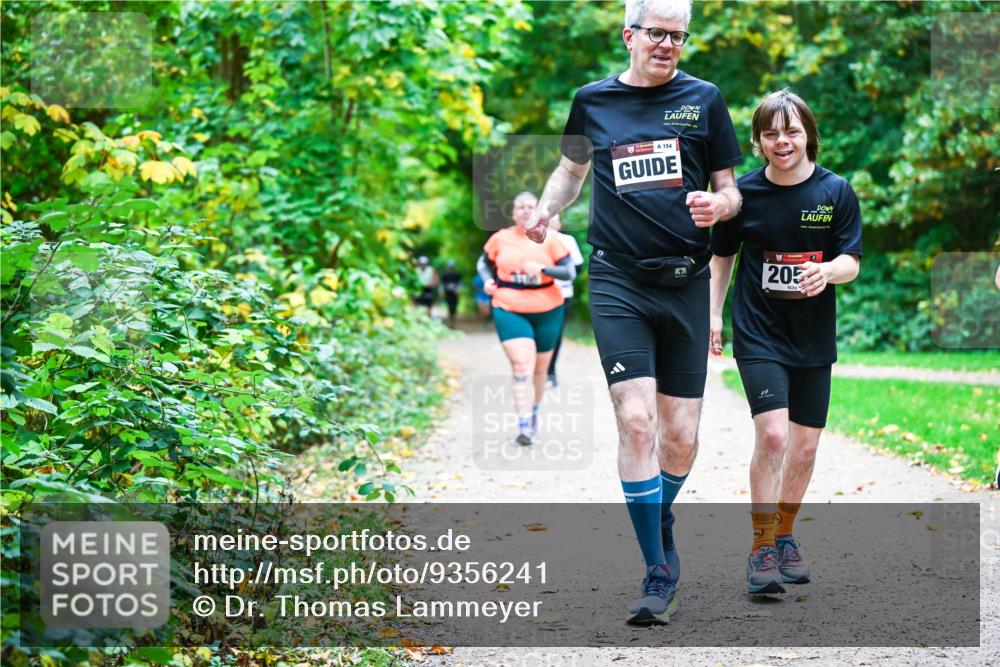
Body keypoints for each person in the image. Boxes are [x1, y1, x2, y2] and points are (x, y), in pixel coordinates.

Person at [525, 0, 743, 626]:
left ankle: (658, 511)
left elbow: (731, 188)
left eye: (679, 36)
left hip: (685, 283)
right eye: (657, 34)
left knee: (681, 436)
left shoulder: (705, 100)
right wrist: (546, 208)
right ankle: (656, 570)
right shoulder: (591, 100)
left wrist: (719, 208)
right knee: (639, 423)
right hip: (619, 280)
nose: (668, 45)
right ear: (629, 35)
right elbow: (571, 171)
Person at [709, 89, 862, 595]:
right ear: (758, 141)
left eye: (791, 131)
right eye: (771, 133)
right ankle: (760, 546)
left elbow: (851, 261)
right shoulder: (745, 196)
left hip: (813, 336)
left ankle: (785, 536)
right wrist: (714, 315)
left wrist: (827, 271)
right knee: (773, 436)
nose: (782, 141)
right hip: (758, 332)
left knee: (805, 446)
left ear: (808, 136)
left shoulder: (836, 191)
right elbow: (723, 258)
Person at [478, 192, 576, 446]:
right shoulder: (500, 238)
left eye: (530, 206)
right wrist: (488, 281)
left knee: (540, 369)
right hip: (509, 305)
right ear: (513, 213)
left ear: (539, 211)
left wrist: (542, 269)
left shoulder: (551, 240)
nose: (524, 210)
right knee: (522, 364)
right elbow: (483, 263)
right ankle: (523, 424)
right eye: (519, 206)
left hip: (549, 307)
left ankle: (533, 412)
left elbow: (569, 272)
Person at [545, 215, 585, 388]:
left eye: (556, 219)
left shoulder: (567, 240)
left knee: (555, 333)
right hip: (539, 294)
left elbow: (577, 266)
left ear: (560, 223)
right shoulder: (535, 239)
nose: (552, 222)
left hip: (562, 293)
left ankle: (550, 372)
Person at [441, 260, 462, 327]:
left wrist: (458, 290)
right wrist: (442, 292)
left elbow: (460, 284)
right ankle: (450, 321)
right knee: (450, 306)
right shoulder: (444, 275)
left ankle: (453, 321)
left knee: (454, 307)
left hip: (454, 293)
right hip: (448, 293)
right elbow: (442, 285)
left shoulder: (457, 275)